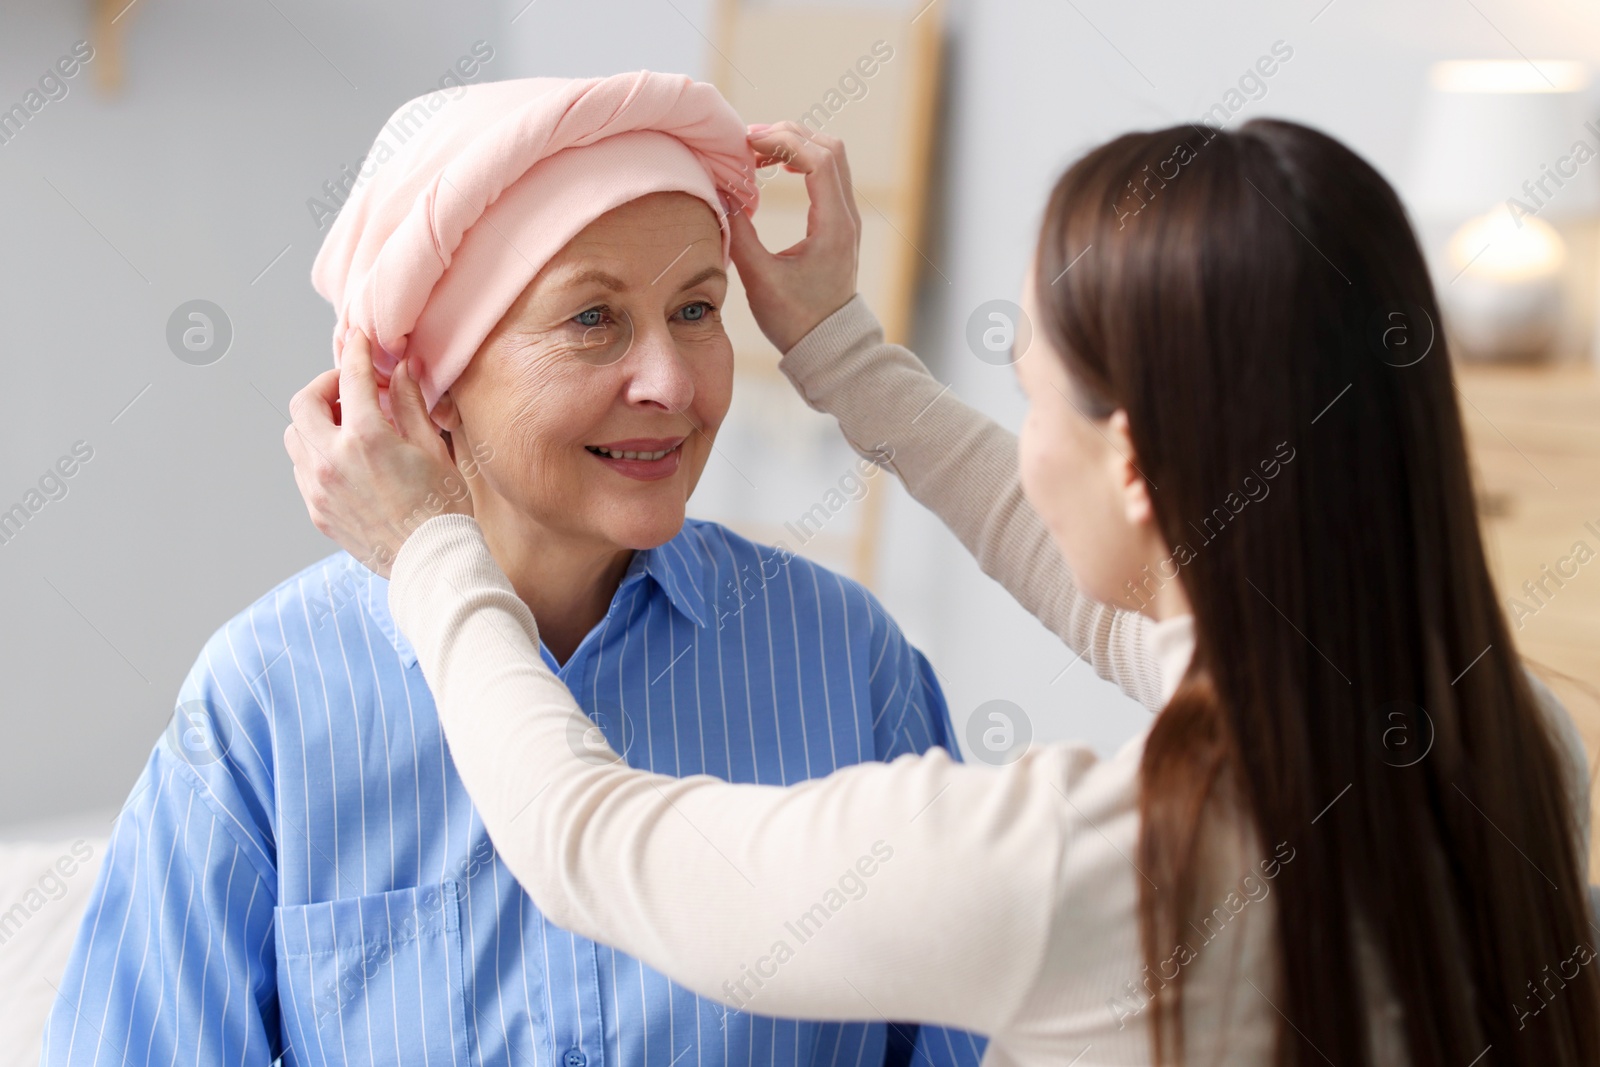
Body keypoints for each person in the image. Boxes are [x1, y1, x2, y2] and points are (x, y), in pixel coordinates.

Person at [286, 117, 1600, 1066]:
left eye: (1027, 394)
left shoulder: (1082, 867)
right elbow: (1143, 598)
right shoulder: (1512, 740)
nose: (675, 379)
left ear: (1133, 460)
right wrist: (843, 353)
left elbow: (594, 844)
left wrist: (428, 553)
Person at [40, 74, 986, 1067]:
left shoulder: (845, 662)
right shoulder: (266, 704)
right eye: (592, 319)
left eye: (696, 308)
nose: (669, 381)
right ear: (424, 381)